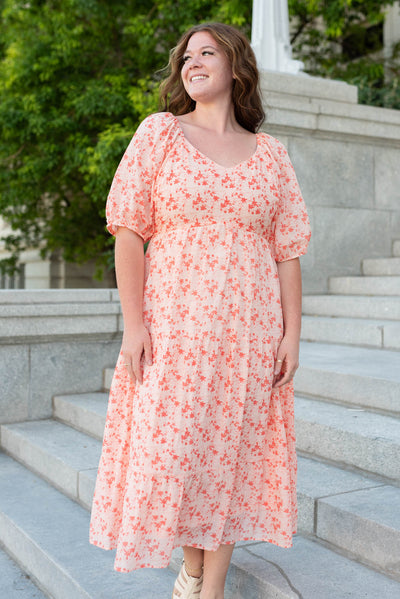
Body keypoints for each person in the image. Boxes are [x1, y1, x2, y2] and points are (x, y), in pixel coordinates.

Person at [89, 21, 311, 599]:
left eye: (207, 53)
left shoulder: (272, 154)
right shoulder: (160, 134)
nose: (192, 63)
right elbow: (128, 231)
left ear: (236, 67)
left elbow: (287, 250)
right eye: (186, 56)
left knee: (230, 451)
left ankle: (206, 588)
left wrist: (291, 334)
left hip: (250, 331)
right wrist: (134, 324)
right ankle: (192, 571)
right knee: (180, 447)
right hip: (174, 327)